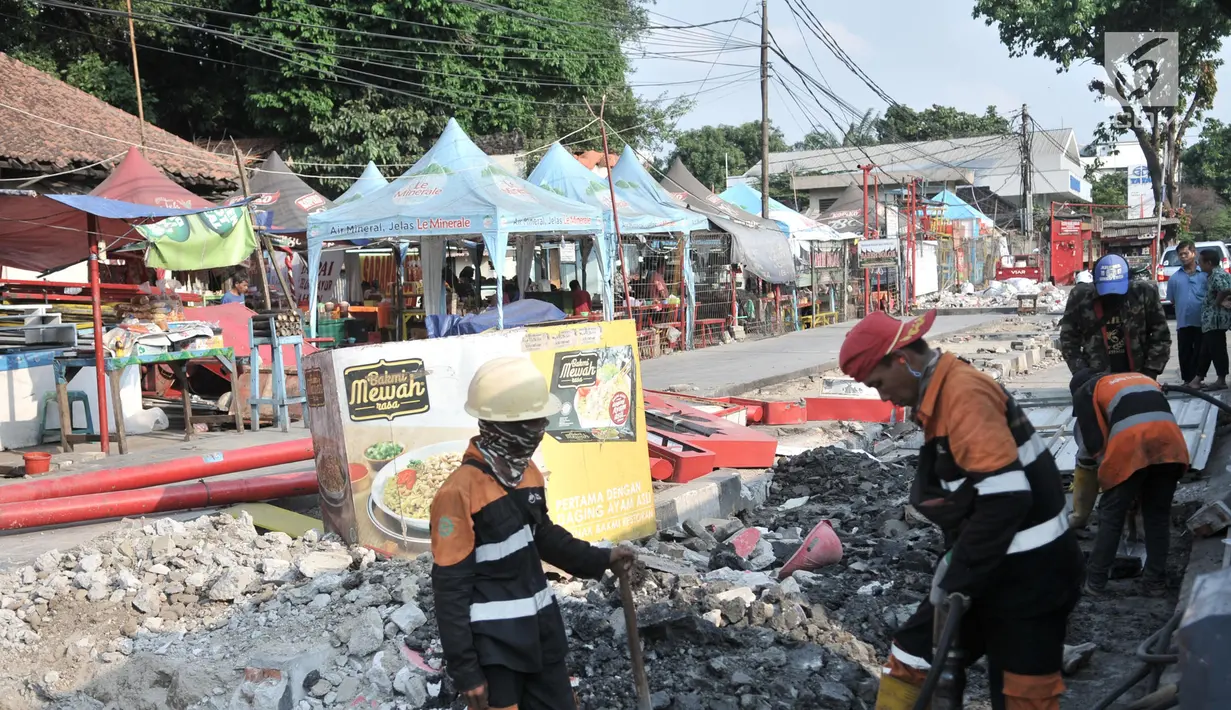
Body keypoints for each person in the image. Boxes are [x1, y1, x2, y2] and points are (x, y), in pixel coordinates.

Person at [839, 310, 1083, 710]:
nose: (884, 397)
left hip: (1034, 577)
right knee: (911, 658)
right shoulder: (941, 395)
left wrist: (958, 577)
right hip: (992, 566)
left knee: (1023, 695)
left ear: (902, 359)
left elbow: (1006, 498)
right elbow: (975, 496)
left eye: (879, 384)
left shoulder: (964, 395)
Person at [431, 357, 636, 710]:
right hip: (496, 650)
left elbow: (543, 536)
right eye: (532, 422)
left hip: (541, 636)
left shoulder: (527, 474)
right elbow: (450, 588)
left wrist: (600, 559)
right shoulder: (458, 493)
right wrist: (466, 671)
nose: (541, 429)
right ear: (504, 427)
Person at [1069, 369, 1189, 596]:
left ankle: (1095, 582)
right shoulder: (1140, 379)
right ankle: (1154, 582)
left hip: (1132, 445)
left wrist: (1113, 491)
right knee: (1157, 515)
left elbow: (1091, 453)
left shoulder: (1085, 393)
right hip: (1171, 446)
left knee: (1111, 513)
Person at [1059, 253, 1170, 379]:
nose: (1112, 296)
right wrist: (1082, 373)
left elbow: (1161, 336)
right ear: (1095, 283)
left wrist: (1151, 370)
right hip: (1097, 377)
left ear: (1129, 281)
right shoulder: (1080, 297)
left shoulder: (1144, 293)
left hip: (1138, 374)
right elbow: (1068, 340)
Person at [1188, 248, 1231, 391]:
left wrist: (1217, 303)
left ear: (1209, 263)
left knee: (1217, 350)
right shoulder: (1213, 274)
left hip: (1216, 320)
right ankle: (1197, 379)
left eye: (1200, 262)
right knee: (1206, 350)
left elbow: (1225, 289)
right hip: (1210, 321)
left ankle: (1221, 379)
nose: (1198, 264)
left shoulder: (1217, 275)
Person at [1165, 240, 1206, 385]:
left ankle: (1198, 379)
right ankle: (1187, 380)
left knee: (1200, 352)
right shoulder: (1175, 278)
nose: (1183, 257)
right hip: (1183, 321)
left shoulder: (1205, 275)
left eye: (1186, 253)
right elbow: (1172, 300)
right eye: (1180, 254)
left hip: (1202, 321)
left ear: (1194, 253)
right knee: (1185, 352)